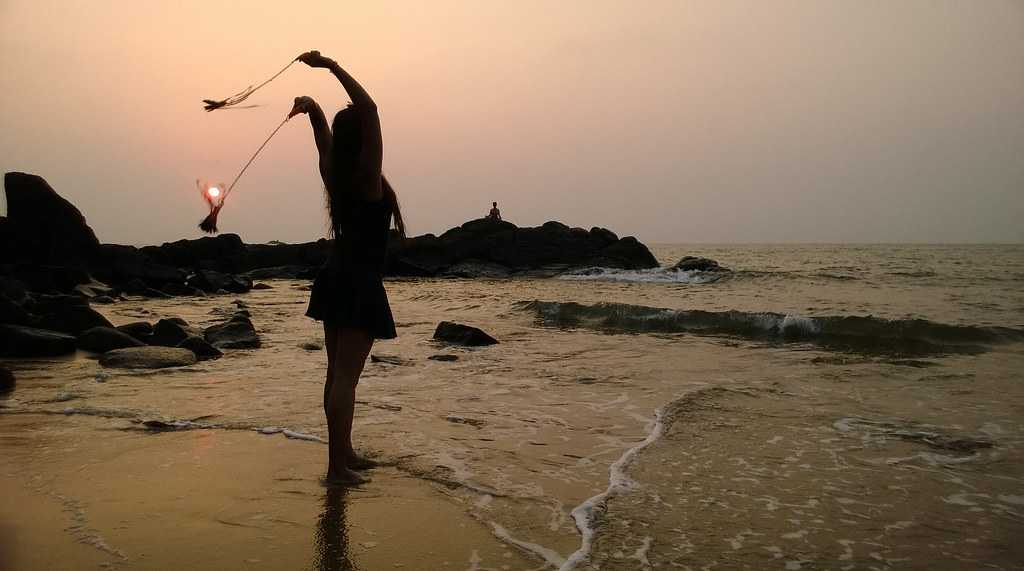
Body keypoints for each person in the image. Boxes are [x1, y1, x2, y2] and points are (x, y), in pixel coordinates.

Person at [289, 50, 406, 486]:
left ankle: (344, 455)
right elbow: (371, 110)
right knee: (345, 380)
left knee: (336, 376)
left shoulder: (336, 177)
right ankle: (336, 468)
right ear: (364, 141)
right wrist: (332, 68)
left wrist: (314, 111)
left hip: (335, 277)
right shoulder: (366, 178)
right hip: (358, 282)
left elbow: (325, 140)